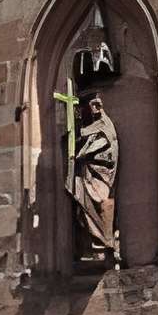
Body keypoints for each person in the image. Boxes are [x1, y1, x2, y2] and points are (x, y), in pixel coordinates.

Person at [68, 92, 120, 267]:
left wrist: (78, 153)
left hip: (100, 178)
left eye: (91, 106)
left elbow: (96, 148)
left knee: (99, 204)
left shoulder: (105, 127)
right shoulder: (94, 127)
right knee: (83, 205)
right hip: (88, 176)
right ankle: (94, 246)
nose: (87, 110)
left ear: (98, 106)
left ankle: (105, 244)